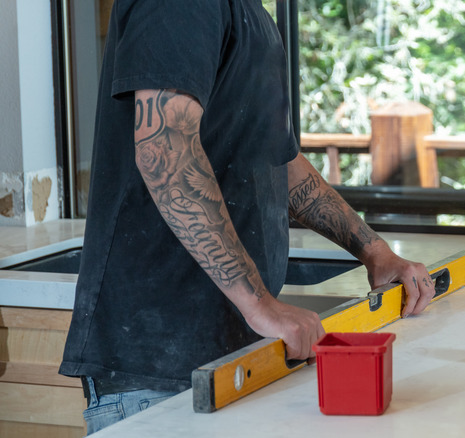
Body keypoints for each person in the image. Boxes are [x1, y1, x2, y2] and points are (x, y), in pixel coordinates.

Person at [59, 1, 435, 434]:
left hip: (234, 357)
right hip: (160, 369)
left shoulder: (251, 14)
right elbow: (165, 150)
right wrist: (260, 305)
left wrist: (375, 252)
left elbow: (281, 163)